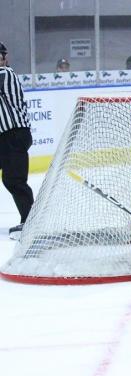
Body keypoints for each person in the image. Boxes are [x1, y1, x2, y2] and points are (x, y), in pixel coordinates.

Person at [0, 42, 34, 240]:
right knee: (13, 180)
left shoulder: (6, 74)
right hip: (5, 137)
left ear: (5, 58)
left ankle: (30, 222)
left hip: (15, 135)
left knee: (15, 180)